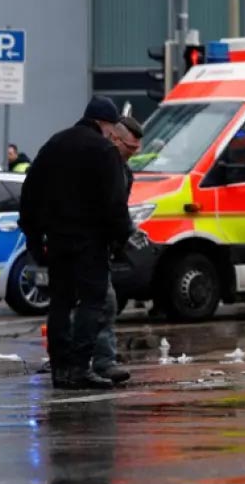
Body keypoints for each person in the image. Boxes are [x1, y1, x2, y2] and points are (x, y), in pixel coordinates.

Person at [18, 96, 133, 390]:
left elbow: (30, 192)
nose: (111, 134)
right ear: (103, 123)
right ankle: (81, 368)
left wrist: (33, 236)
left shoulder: (54, 144)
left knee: (61, 301)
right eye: (111, 127)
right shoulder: (103, 150)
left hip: (56, 240)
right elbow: (114, 203)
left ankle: (60, 369)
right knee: (92, 301)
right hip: (90, 242)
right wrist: (121, 239)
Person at [92, 116, 143, 384]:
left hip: (103, 247)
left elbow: (119, 210)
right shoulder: (102, 165)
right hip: (89, 245)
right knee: (104, 302)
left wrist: (128, 233)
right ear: (115, 139)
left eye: (137, 150)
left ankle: (89, 359)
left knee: (96, 304)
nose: (132, 155)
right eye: (130, 148)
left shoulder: (125, 172)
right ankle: (101, 361)